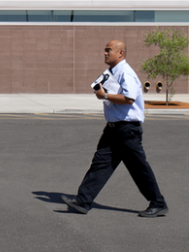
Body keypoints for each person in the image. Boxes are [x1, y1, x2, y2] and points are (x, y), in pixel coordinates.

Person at [62, 40, 169, 218]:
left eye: (108, 50)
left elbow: (129, 99)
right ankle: (82, 201)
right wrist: (102, 92)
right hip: (112, 129)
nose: (105, 53)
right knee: (100, 164)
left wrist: (105, 95)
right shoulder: (110, 72)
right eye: (105, 50)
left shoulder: (126, 72)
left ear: (120, 53)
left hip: (128, 130)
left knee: (138, 169)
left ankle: (158, 203)